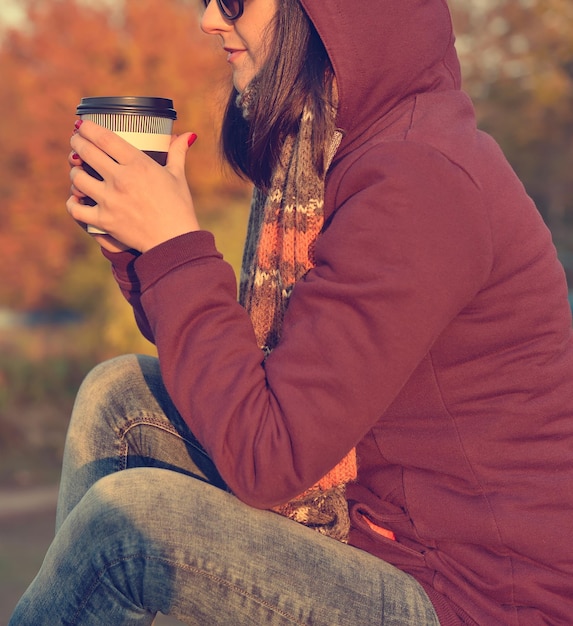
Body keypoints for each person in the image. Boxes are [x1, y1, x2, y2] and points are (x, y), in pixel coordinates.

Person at [10, 0, 573, 623]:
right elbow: (249, 381)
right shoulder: (342, 150)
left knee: (130, 530)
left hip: (477, 600)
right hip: (389, 539)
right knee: (119, 398)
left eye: (232, 3)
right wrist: (142, 254)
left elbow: (268, 456)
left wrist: (173, 248)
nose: (209, 22)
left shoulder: (418, 180)